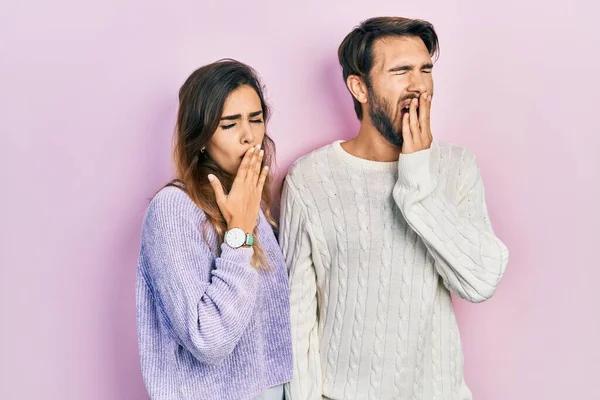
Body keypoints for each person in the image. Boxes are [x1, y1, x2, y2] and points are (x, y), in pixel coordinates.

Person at [280, 17, 509, 400]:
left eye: (425, 70)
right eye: (401, 71)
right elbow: (296, 318)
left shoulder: (457, 167)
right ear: (360, 87)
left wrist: (417, 180)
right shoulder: (311, 178)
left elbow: (481, 280)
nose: (418, 85)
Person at [136, 59, 292, 400]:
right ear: (202, 137)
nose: (249, 136)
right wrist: (239, 235)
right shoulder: (173, 209)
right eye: (229, 124)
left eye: (256, 119)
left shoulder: (249, 201)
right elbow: (208, 340)